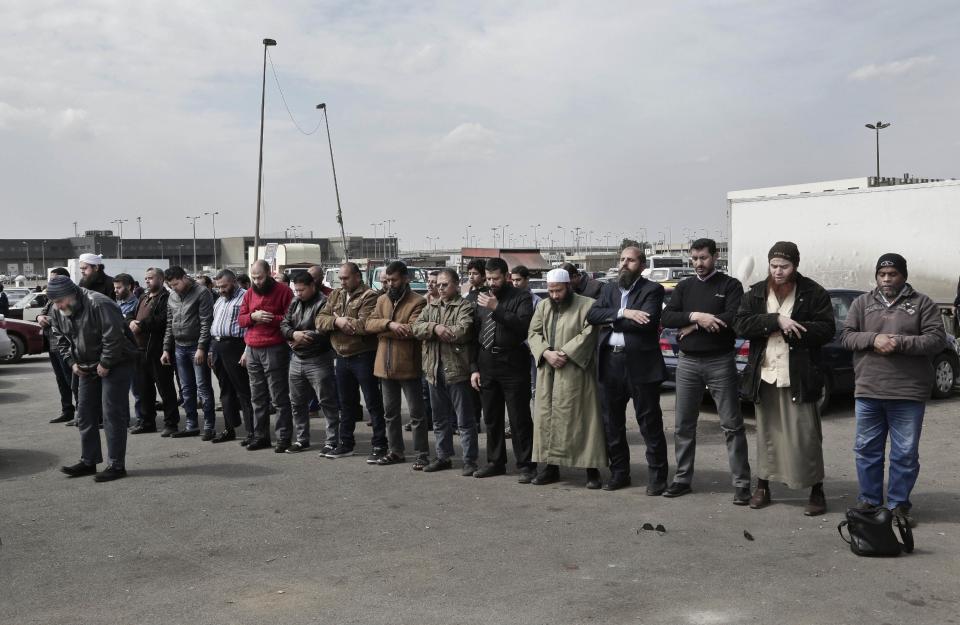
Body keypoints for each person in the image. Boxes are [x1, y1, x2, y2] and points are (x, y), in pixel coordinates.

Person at [840, 253, 946, 528]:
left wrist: (899, 343)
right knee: (866, 450)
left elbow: (936, 339)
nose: (886, 279)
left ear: (903, 275)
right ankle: (870, 501)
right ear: (876, 276)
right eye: (882, 274)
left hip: (907, 393)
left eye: (893, 274)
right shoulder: (862, 303)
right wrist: (874, 339)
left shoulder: (923, 303)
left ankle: (899, 505)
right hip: (868, 390)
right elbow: (847, 336)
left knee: (905, 453)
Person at [734, 242, 834, 516]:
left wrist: (795, 329)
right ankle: (763, 486)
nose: (778, 272)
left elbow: (827, 330)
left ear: (796, 266)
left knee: (806, 436)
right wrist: (775, 320)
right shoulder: (755, 293)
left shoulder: (813, 292)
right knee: (767, 435)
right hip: (765, 375)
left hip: (799, 376)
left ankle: (816, 490)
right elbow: (740, 324)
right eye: (774, 266)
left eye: (784, 267)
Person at [660, 238, 751, 504]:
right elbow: (668, 317)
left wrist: (695, 324)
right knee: (683, 425)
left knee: (732, 425)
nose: (699, 264)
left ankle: (742, 484)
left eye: (704, 258)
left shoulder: (730, 285)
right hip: (687, 362)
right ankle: (682, 479)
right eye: (695, 258)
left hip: (720, 362)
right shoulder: (685, 286)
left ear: (715, 257)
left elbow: (734, 317)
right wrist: (697, 317)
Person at [587, 246, 669, 493]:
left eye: (630, 260)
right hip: (610, 364)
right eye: (622, 259)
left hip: (640, 365)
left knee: (649, 422)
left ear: (642, 265)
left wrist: (612, 319)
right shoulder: (609, 289)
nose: (624, 264)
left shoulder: (652, 290)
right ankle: (619, 473)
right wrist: (625, 312)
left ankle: (657, 477)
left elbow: (647, 323)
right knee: (612, 423)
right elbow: (592, 315)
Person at [48, 275, 138, 482]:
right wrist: (71, 362)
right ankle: (89, 461)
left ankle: (116, 465)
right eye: (55, 303)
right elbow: (60, 337)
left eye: (60, 301)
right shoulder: (57, 309)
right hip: (85, 366)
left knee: (111, 414)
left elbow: (113, 336)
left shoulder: (99, 303)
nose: (59, 306)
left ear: (71, 295)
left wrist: (106, 363)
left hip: (117, 362)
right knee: (85, 413)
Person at [527, 268, 606, 489]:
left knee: (584, 421)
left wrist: (565, 353)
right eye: (551, 291)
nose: (554, 296)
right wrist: (545, 352)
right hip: (548, 373)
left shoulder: (587, 305)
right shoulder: (543, 306)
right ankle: (551, 468)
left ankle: (592, 470)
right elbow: (533, 333)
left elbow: (590, 332)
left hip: (576, 374)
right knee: (548, 421)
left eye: (558, 291)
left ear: (569, 287)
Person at [470, 257, 537, 482]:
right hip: (487, 363)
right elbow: (475, 334)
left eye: (495, 278)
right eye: (488, 278)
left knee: (519, 418)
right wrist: (474, 368)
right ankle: (495, 461)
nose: (491, 283)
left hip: (513, 364)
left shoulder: (521, 297)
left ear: (506, 276)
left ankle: (526, 464)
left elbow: (523, 327)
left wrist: (496, 308)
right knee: (491, 417)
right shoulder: (481, 298)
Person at [412, 268, 478, 475]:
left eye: (445, 284)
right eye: (438, 285)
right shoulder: (431, 306)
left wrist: (437, 331)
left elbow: (461, 331)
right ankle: (443, 456)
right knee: (439, 419)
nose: (440, 288)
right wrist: (435, 328)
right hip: (433, 370)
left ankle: (469, 460)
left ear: (457, 285)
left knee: (464, 420)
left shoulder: (465, 306)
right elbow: (416, 328)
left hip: (457, 370)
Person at [315, 262, 384, 460]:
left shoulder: (369, 296)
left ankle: (380, 444)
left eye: (345, 278)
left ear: (357, 277)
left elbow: (364, 325)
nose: (342, 282)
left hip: (363, 355)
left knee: (372, 402)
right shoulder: (335, 295)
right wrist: (337, 321)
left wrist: (344, 322)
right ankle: (346, 443)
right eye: (340, 278)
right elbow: (320, 320)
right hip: (342, 356)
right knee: (346, 404)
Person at [364, 261, 428, 468]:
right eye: (388, 280)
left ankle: (421, 453)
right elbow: (369, 324)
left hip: (408, 365)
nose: (390, 284)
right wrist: (389, 324)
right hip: (384, 366)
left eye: (394, 280)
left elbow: (411, 330)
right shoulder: (381, 300)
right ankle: (395, 451)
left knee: (417, 414)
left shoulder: (418, 301)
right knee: (390, 414)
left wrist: (383, 329)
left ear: (405, 279)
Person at [238, 260, 294, 452]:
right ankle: (261, 436)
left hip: (275, 348)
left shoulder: (284, 291)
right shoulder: (249, 293)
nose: (256, 281)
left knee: (279, 396)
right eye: (253, 278)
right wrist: (253, 317)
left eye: (259, 277)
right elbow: (241, 319)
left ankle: (283, 437)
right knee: (257, 397)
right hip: (253, 348)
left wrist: (269, 317)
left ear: (269, 273)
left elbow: (291, 318)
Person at [280, 272, 338, 453]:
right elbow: (284, 324)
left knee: (326, 401)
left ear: (313, 286)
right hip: (297, 359)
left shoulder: (324, 302)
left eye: (302, 290)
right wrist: (292, 335)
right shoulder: (295, 302)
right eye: (296, 290)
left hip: (319, 359)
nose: (298, 293)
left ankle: (332, 441)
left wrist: (299, 337)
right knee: (297, 402)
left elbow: (323, 330)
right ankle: (302, 439)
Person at [160, 266, 216, 439]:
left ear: (184, 277)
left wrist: (201, 347)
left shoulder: (202, 293)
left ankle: (209, 426)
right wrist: (165, 349)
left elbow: (206, 322)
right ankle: (191, 425)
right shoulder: (172, 296)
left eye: (176, 284)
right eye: (170, 285)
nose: (173, 288)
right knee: (186, 389)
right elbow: (170, 324)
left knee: (203, 387)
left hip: (196, 347)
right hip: (179, 347)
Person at [129, 268, 180, 436]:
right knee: (144, 390)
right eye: (145, 278)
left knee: (165, 389)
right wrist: (130, 321)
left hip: (158, 351)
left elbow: (164, 319)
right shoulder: (143, 297)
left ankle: (171, 423)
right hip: (140, 351)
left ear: (160, 279)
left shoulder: (166, 297)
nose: (147, 281)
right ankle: (147, 422)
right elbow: (131, 315)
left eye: (150, 278)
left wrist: (142, 325)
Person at [208, 269, 254, 444]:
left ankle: (252, 431)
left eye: (224, 286)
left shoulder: (245, 297)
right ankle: (229, 428)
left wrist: (247, 350)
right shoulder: (220, 300)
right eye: (218, 287)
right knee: (225, 389)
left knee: (243, 390)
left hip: (236, 346)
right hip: (219, 345)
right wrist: (212, 350)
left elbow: (251, 326)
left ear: (234, 281)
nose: (221, 290)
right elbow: (215, 326)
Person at [37, 268, 77, 424]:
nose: (50, 283)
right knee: (61, 380)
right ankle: (67, 410)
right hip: (52, 345)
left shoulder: (69, 298)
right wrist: (39, 316)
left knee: (72, 381)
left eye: (54, 279)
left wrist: (49, 320)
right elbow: (43, 312)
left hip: (65, 346)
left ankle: (81, 412)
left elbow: (69, 319)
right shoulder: (51, 298)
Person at [114, 273, 144, 428]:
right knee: (120, 390)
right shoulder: (115, 304)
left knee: (137, 389)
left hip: (133, 351)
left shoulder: (137, 305)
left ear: (130, 287)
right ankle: (124, 419)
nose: (116, 290)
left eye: (119, 287)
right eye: (115, 288)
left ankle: (141, 419)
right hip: (118, 352)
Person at [463, 258, 486, 431]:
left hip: (483, 346)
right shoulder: (468, 295)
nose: (471, 276)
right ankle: (475, 421)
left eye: (475, 273)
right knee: (471, 389)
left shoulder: (487, 296)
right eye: (469, 273)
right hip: (469, 347)